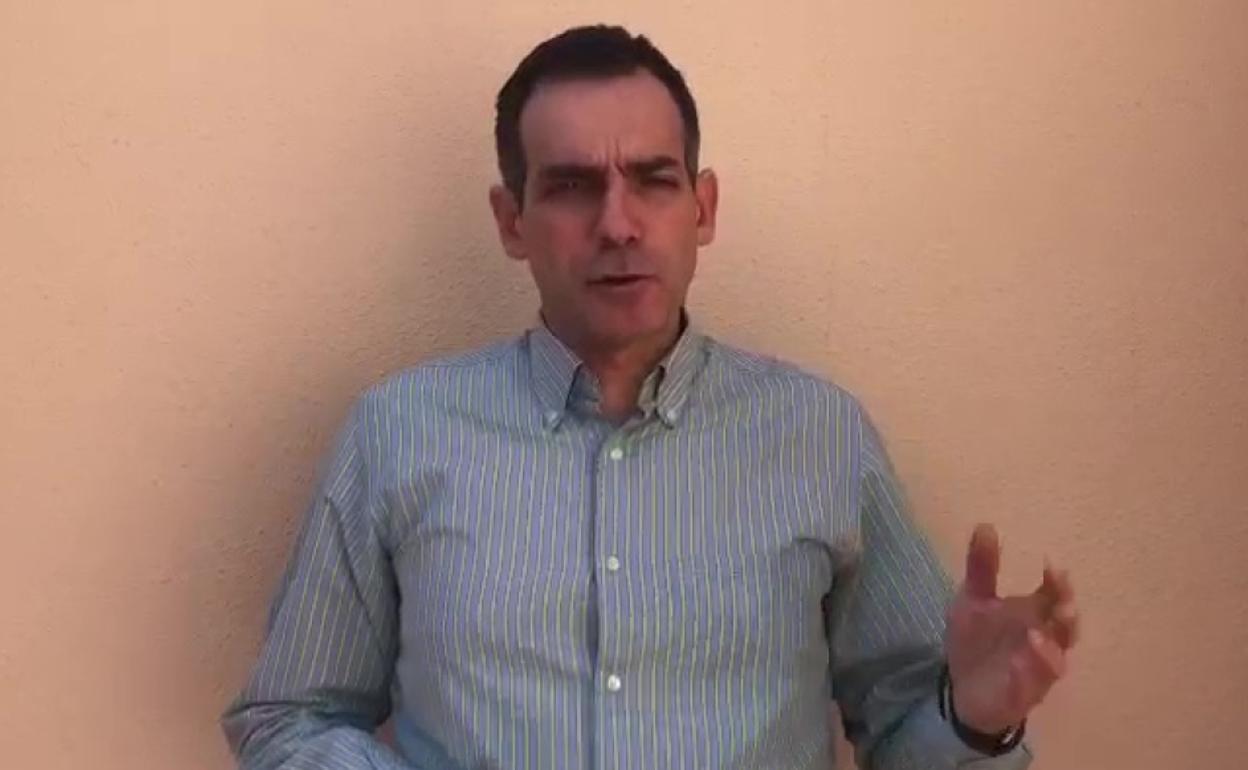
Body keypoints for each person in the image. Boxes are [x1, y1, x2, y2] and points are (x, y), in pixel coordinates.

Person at [222, 24, 1079, 770]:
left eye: (653, 179)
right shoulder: (399, 432)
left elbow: (906, 738)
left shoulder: (821, 436)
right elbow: (289, 717)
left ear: (702, 208)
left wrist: (973, 720)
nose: (618, 224)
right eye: (571, 186)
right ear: (511, 220)